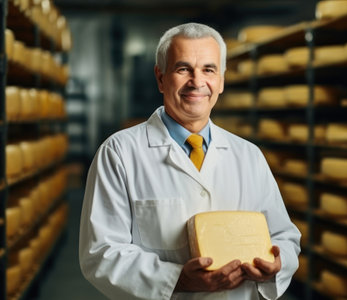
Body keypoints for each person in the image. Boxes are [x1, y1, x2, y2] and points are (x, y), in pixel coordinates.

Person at [79, 22, 301, 300]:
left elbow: (284, 236)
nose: (197, 82)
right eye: (183, 69)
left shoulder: (248, 155)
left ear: (221, 80)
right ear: (160, 78)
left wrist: (276, 265)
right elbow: (100, 254)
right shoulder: (119, 153)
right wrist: (177, 279)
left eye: (209, 69)